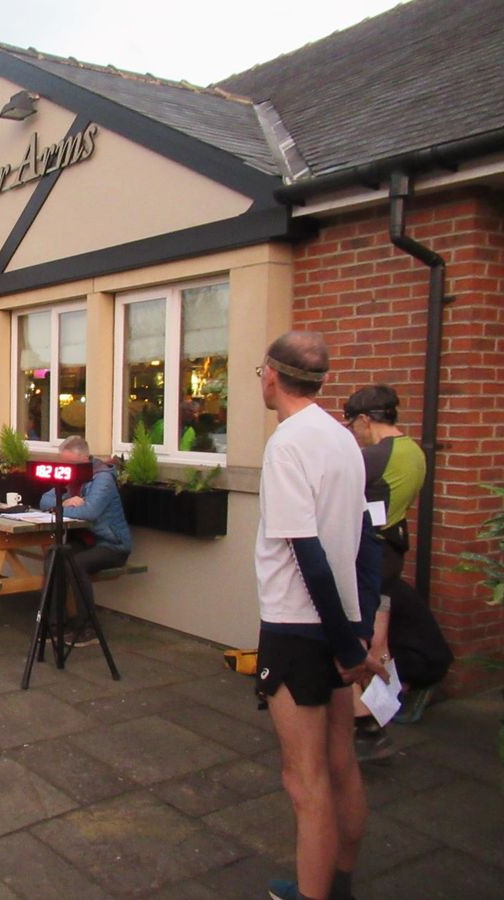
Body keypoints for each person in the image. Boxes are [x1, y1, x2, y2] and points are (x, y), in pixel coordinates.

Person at [254, 332, 387, 900]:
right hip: (340, 623)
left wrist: (346, 644)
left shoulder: (287, 444)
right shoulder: (341, 438)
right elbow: (366, 539)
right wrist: (358, 629)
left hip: (296, 628)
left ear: (273, 376)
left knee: (303, 780)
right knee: (341, 765)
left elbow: (306, 551)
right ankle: (339, 884)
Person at [343, 384, 448, 734]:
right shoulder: (415, 452)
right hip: (394, 549)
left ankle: (370, 716)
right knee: (380, 636)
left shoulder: (372, 457)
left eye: (351, 425)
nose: (353, 434)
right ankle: (382, 704)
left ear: (363, 419)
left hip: (371, 554)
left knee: (366, 637)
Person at [37, 436, 131, 647]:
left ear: (85, 458)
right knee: (55, 555)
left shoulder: (103, 479)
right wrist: (66, 500)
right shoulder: (70, 478)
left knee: (77, 563)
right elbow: (44, 501)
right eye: (63, 462)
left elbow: (90, 511)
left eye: (70, 463)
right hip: (85, 540)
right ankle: (53, 625)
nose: (65, 468)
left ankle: (87, 627)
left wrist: (61, 506)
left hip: (111, 544)